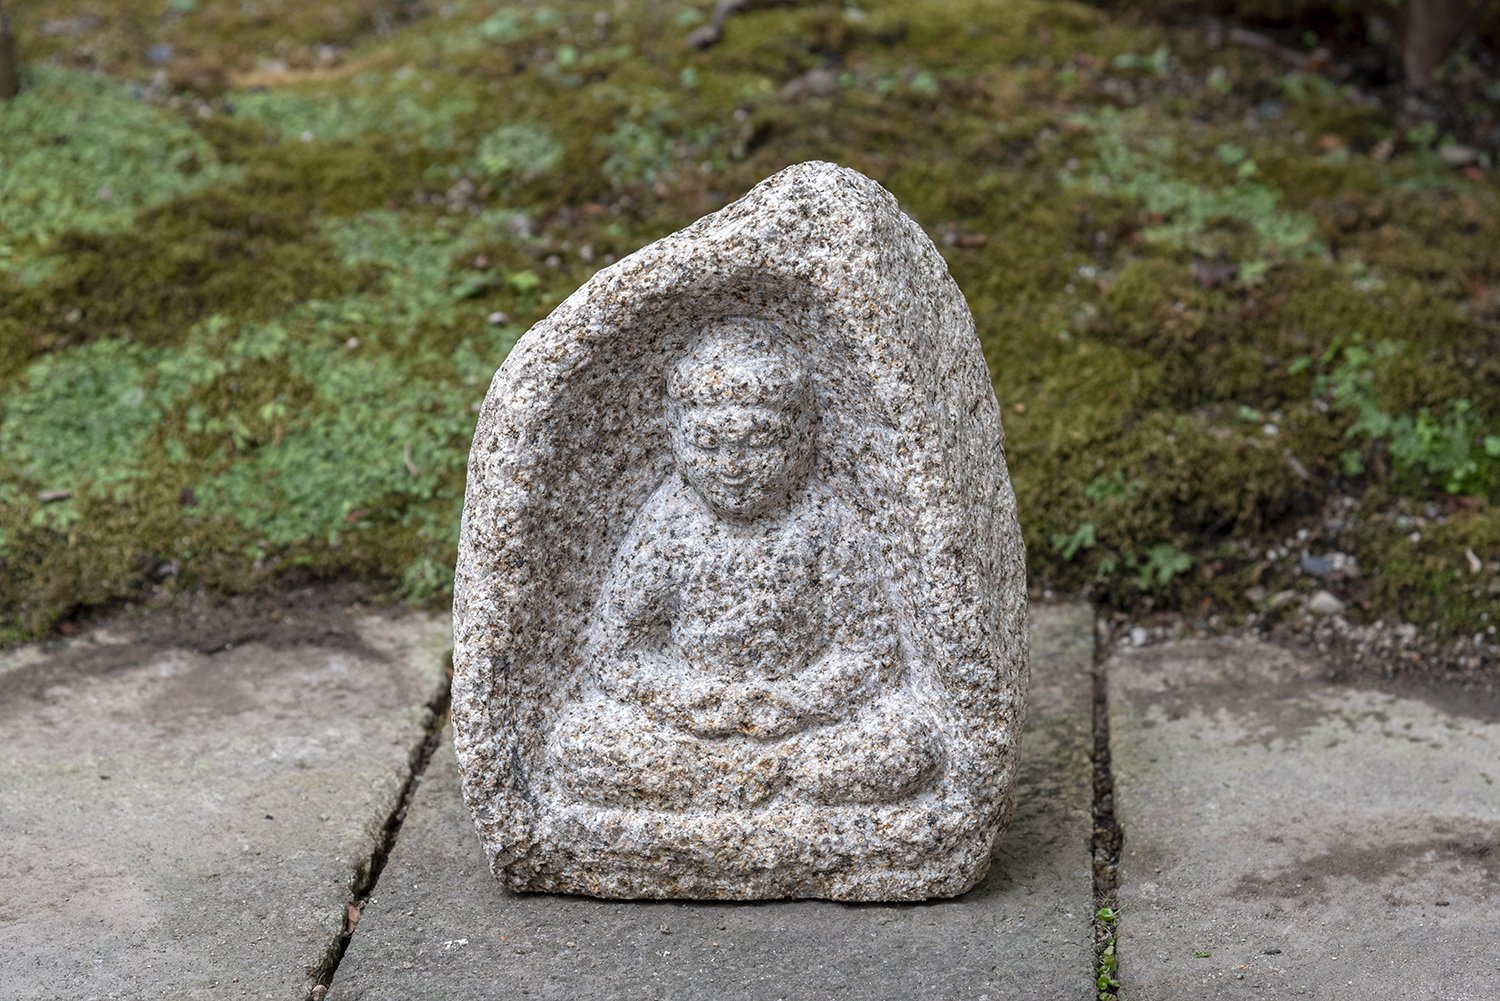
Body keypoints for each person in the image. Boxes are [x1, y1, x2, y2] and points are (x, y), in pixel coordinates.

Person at [550, 317, 942, 811]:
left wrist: (798, 700)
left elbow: (870, 651)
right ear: (677, 438)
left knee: (905, 745)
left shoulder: (821, 520)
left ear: (801, 437)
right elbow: (616, 652)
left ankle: (735, 785)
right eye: (709, 445)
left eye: (758, 444)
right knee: (582, 743)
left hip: (799, 726)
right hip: (690, 726)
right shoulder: (667, 520)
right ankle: (756, 785)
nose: (732, 467)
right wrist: (686, 702)